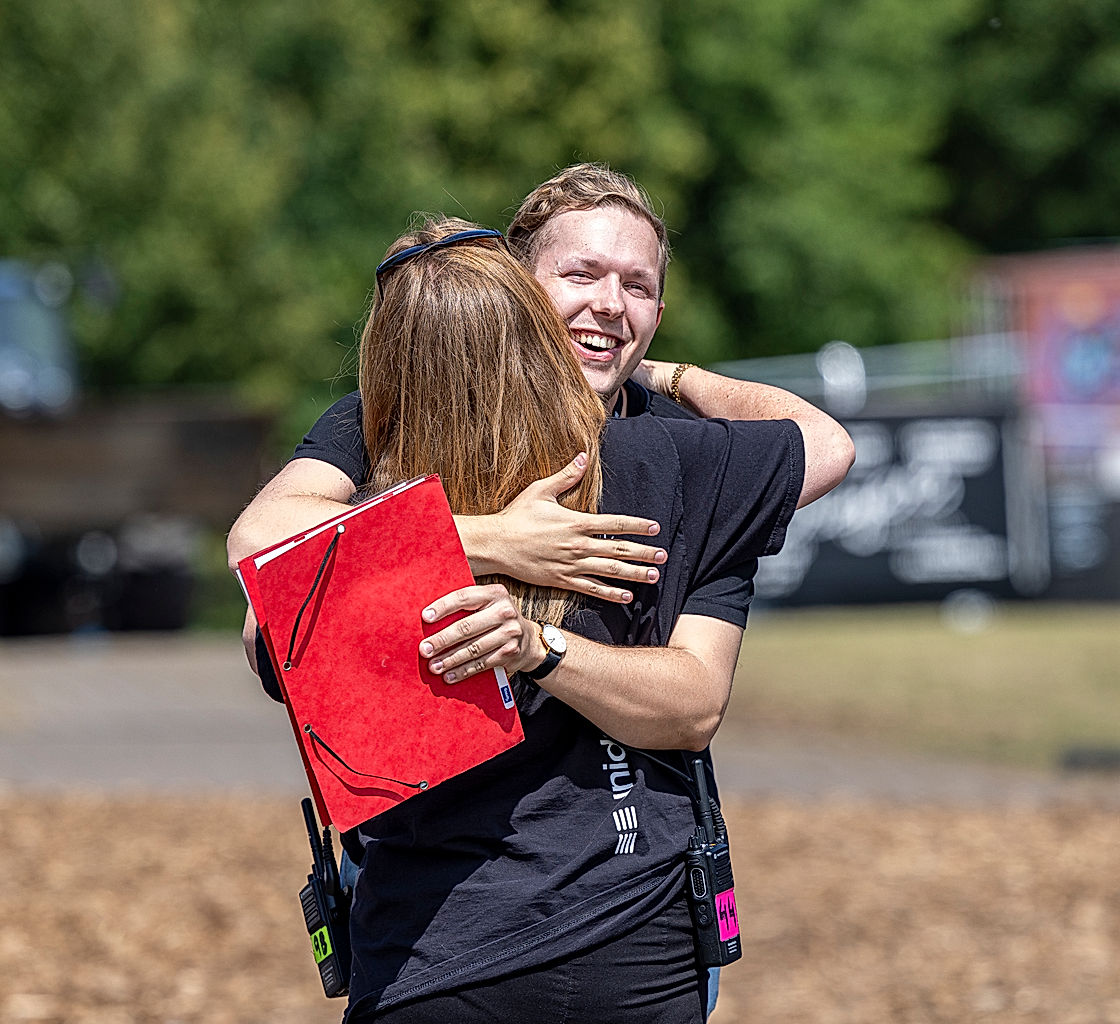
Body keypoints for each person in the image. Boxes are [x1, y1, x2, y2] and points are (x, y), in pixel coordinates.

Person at [226, 163, 854, 1019]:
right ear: (519, 291)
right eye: (583, 274)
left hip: (631, 930)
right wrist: (493, 540)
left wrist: (667, 379)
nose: (611, 303)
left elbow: (693, 701)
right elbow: (260, 553)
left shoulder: (682, 457)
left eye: (639, 286)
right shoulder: (383, 425)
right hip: (433, 942)